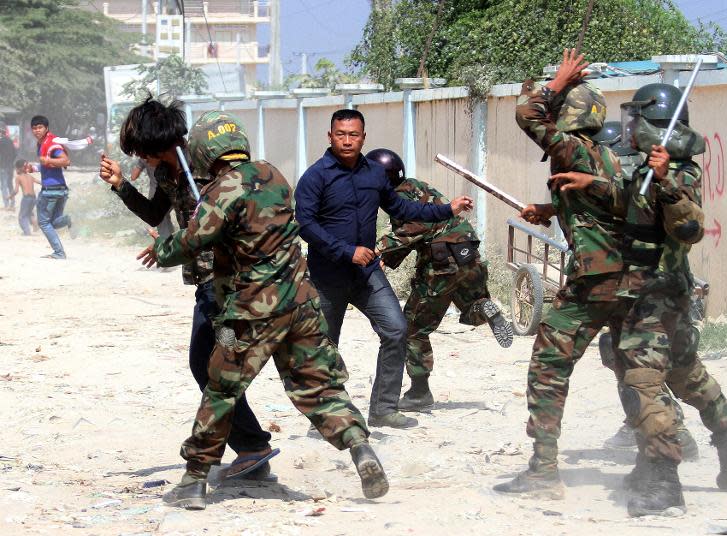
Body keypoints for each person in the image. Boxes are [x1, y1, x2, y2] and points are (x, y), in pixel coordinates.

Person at [147, 111, 389, 509]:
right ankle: (360, 448)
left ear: (207, 152)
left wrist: (160, 246)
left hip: (249, 311)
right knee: (319, 385)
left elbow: (188, 245)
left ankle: (194, 481)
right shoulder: (274, 175)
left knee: (222, 388)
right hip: (301, 303)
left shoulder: (220, 190)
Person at [99, 97, 276, 481]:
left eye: (139, 153)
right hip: (207, 284)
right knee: (213, 364)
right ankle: (251, 449)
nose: (139, 160)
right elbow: (154, 213)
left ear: (152, 145)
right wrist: (120, 185)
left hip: (230, 283)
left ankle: (251, 447)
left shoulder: (209, 165)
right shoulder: (166, 171)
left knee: (214, 364)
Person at [493, 49, 640, 500]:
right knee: (637, 365)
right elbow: (602, 204)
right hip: (627, 279)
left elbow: (526, 114)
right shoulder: (607, 157)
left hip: (593, 281)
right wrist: (551, 209)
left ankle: (542, 472)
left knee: (548, 367)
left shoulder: (572, 148)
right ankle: (674, 447)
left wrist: (554, 82)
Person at [613, 83, 727, 515]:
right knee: (685, 374)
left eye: (636, 118)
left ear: (655, 122)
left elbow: (690, 229)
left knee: (643, 379)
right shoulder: (644, 167)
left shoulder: (682, 172)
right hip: (653, 291)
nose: (630, 126)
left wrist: (665, 182)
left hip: (657, 294)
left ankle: (664, 481)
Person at [294, 109, 474, 430]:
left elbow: (403, 208)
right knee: (324, 345)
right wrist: (347, 252)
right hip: (327, 276)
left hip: (365, 275)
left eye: (353, 135)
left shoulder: (374, 175)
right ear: (330, 136)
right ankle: (324, 418)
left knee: (397, 329)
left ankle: (384, 409)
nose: (347, 141)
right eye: (340, 134)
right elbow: (306, 225)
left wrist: (448, 209)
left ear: (364, 137)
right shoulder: (315, 177)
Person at [369, 148, 514, 411]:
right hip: (468, 255)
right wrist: (389, 259)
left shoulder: (399, 195)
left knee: (412, 327)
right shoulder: (417, 186)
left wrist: (379, 249)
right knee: (468, 302)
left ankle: (419, 392)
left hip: (441, 263)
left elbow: (416, 228)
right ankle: (482, 307)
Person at [590, 121, 699, 460]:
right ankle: (652, 427)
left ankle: (674, 440)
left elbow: (686, 229)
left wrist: (663, 180)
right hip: (632, 286)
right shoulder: (636, 180)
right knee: (626, 356)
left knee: (658, 367)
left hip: (657, 287)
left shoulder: (671, 177)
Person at [30, 115, 71, 259]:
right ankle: (70, 219)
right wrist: (34, 168)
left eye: (40, 127)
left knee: (43, 222)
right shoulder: (42, 144)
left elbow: (65, 161)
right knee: (53, 222)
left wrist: (46, 159)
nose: (37, 130)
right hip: (61, 189)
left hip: (50, 191)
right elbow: (47, 166)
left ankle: (59, 253)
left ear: (46, 128)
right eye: (34, 128)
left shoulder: (52, 143)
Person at [130, 158, 175, 239]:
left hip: (156, 194)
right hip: (174, 190)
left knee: (162, 220)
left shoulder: (144, 158)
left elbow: (133, 176)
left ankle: (168, 243)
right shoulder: (167, 153)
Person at [12, 159, 40, 235]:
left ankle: (27, 232)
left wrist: (10, 196)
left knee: (22, 217)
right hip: (34, 198)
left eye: (16, 168)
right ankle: (35, 225)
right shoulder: (30, 176)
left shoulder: (18, 177)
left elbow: (16, 191)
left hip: (26, 198)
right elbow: (41, 182)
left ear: (19, 168)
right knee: (29, 213)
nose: (15, 170)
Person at [0, 124, 17, 209]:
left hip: (3, 166)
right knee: (10, 185)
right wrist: (11, 162)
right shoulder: (10, 141)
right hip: (10, 166)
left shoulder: (0, 142)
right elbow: (15, 154)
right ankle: (12, 203)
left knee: (3, 186)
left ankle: (6, 204)